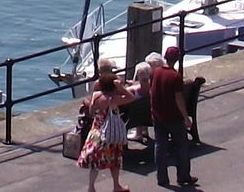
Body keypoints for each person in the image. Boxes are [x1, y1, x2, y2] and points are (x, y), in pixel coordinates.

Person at [74, 61, 133, 192]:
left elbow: (90, 112)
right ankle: (116, 185)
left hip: (96, 131)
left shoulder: (96, 96)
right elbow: (131, 97)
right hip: (110, 132)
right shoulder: (113, 99)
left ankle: (91, 187)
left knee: (95, 162)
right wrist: (121, 88)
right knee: (114, 159)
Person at [145, 50, 195, 188]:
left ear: (165, 57)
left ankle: (162, 178)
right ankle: (183, 176)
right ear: (177, 59)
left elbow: (152, 92)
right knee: (181, 146)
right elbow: (179, 99)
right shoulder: (175, 76)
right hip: (173, 117)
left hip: (158, 116)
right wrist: (186, 117)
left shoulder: (155, 72)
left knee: (160, 146)